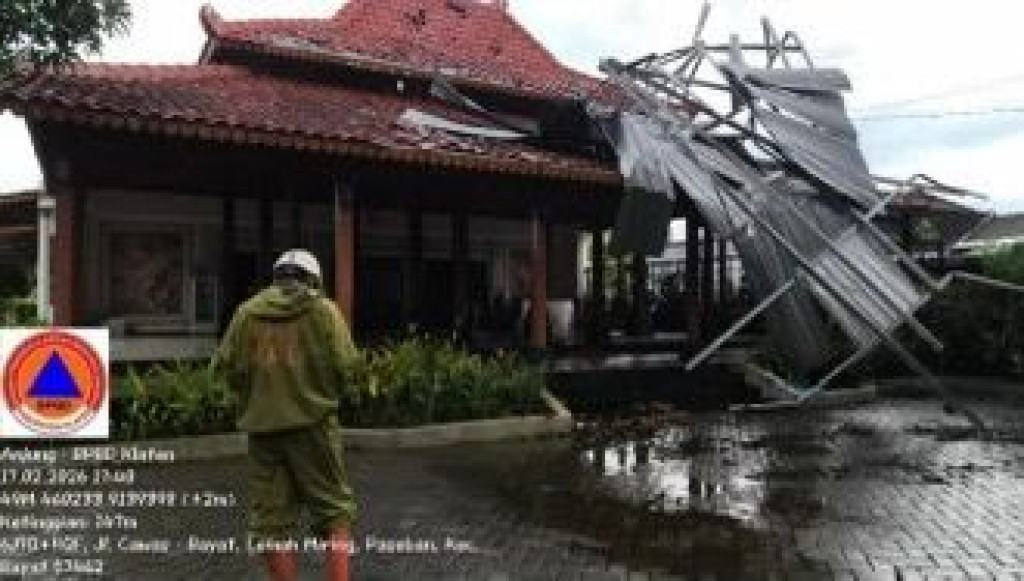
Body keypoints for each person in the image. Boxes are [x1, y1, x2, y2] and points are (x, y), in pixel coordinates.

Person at [212, 249, 357, 581]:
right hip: (315, 429)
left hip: (263, 432)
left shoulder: (246, 314)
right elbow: (347, 366)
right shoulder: (323, 311)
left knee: (271, 523)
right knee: (335, 512)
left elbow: (226, 370)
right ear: (313, 279)